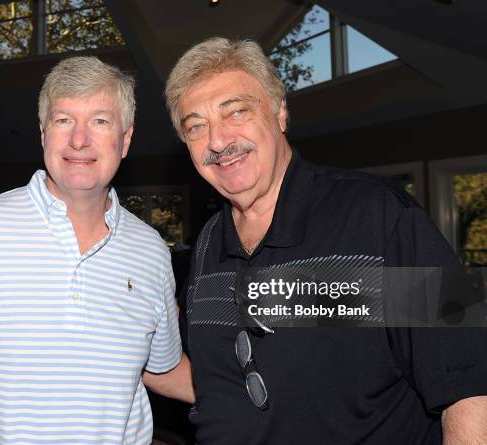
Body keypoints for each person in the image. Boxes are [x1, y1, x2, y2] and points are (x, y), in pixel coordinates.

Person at [164, 37, 487, 444]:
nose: (217, 140)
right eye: (196, 126)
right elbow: (218, 379)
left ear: (280, 111)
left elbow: (470, 380)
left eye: (237, 112)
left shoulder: (379, 214)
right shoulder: (210, 240)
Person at [0, 56, 186, 444]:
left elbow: (162, 368)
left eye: (100, 121)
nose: (79, 140)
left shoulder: (151, 251)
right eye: (63, 120)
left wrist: (264, 396)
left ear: (125, 139)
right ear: (42, 132)